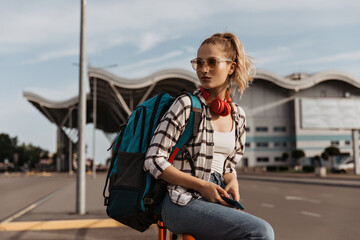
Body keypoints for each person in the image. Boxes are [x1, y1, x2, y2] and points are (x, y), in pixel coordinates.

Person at [144, 33, 274, 240]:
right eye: (199, 63)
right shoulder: (185, 105)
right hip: (181, 201)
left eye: (212, 62)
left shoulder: (238, 116)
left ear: (231, 67)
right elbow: (153, 160)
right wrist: (202, 186)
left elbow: (229, 165)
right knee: (260, 232)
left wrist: (232, 180)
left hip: (217, 199)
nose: (204, 69)